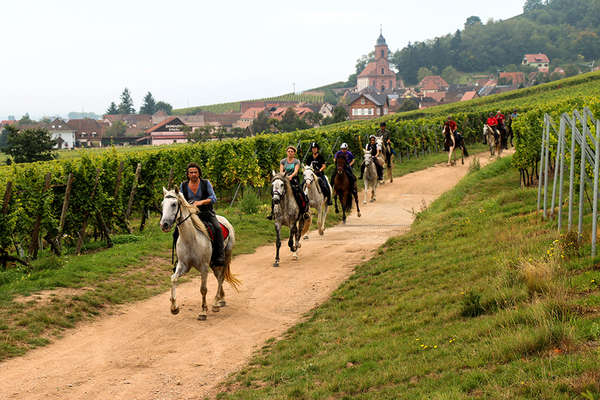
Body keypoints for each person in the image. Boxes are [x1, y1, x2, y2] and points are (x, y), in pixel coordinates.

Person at [178, 162, 225, 266]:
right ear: (188, 174)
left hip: (206, 213)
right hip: (190, 215)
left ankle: (219, 255)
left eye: (195, 172)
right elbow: (181, 200)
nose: (193, 174)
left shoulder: (206, 183)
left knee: (217, 228)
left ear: (199, 173)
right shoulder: (183, 185)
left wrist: (201, 202)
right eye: (191, 172)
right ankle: (179, 259)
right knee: (176, 232)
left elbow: (213, 198)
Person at [267, 146, 309, 219]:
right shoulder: (283, 161)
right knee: (275, 192)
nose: (290, 153)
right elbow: (281, 171)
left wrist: (291, 176)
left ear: (294, 153)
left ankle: (304, 211)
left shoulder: (296, 161)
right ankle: (272, 212)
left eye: (291, 152)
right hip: (284, 178)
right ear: (287, 152)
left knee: (300, 192)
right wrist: (284, 177)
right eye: (289, 151)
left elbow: (296, 171)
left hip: (293, 179)